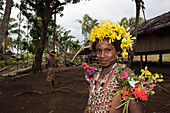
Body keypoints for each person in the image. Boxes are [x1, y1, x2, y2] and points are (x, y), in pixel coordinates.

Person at [84, 20, 142, 113]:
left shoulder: (124, 74)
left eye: (107, 50)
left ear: (118, 51)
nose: (102, 55)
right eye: (99, 51)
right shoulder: (96, 75)